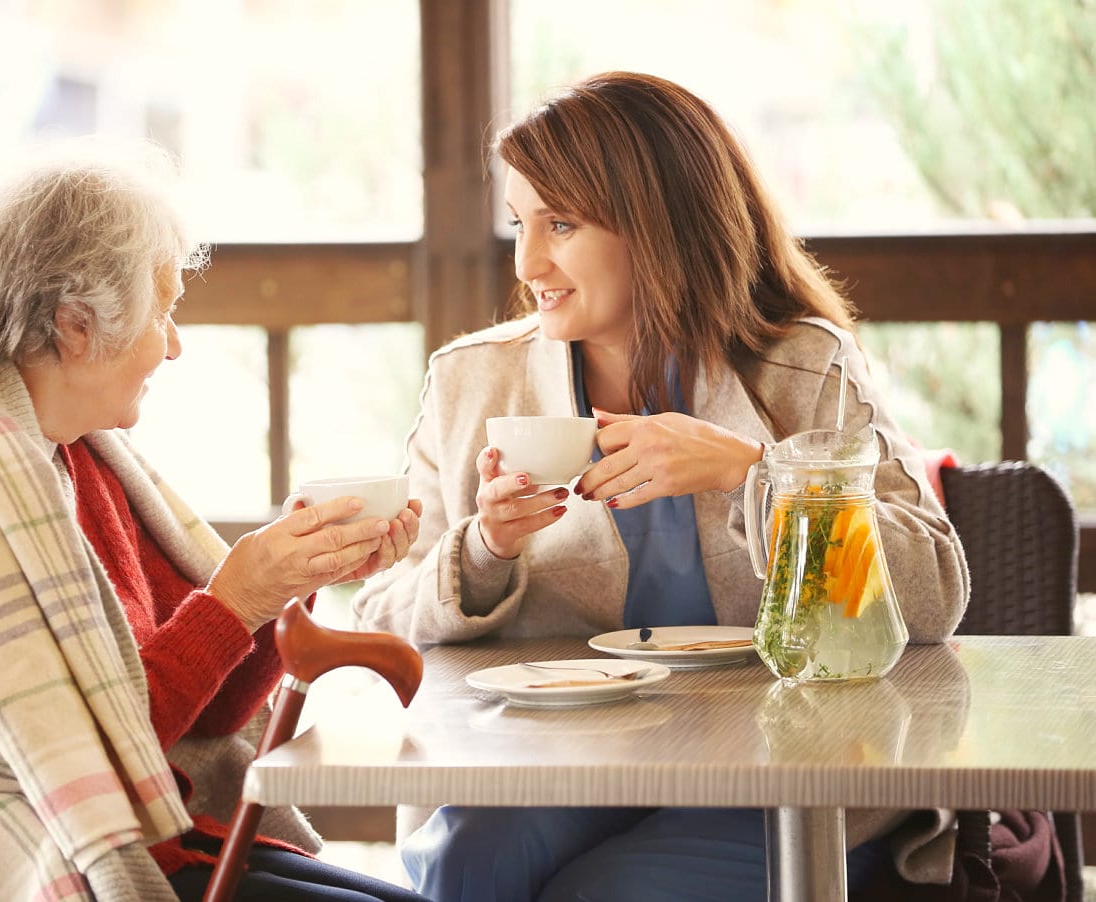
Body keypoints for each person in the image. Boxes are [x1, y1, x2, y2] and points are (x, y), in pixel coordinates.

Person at [0, 137, 427, 902]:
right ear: (75, 326)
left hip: (111, 828)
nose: (176, 346)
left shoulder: (66, 450)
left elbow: (203, 717)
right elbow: (87, 763)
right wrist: (237, 598)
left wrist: (284, 581)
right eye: (165, 311)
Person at [351, 72, 970, 902]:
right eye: (519, 225)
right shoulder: (473, 383)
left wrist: (756, 475)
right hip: (562, 761)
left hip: (776, 769)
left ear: (659, 228)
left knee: (606, 894)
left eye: (561, 225)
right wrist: (484, 549)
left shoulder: (801, 369)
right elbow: (383, 611)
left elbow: (934, 595)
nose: (529, 262)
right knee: (466, 866)